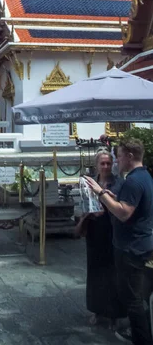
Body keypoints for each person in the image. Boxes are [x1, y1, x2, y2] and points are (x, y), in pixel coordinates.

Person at [85, 138, 153, 345]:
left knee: (133, 300)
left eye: (119, 156)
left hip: (131, 248)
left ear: (130, 156)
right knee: (140, 297)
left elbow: (124, 213)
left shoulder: (132, 180)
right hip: (142, 244)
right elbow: (129, 206)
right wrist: (110, 195)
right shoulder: (145, 176)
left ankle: (141, 338)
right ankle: (143, 333)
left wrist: (100, 193)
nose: (117, 161)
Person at [76, 150, 125, 328]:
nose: (105, 167)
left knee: (113, 273)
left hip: (112, 231)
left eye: (108, 163)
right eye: (102, 163)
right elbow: (84, 203)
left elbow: (122, 207)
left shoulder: (118, 184)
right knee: (95, 272)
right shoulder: (90, 182)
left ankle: (114, 314)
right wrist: (86, 216)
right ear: (96, 165)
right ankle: (97, 309)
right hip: (94, 230)